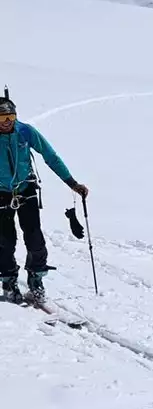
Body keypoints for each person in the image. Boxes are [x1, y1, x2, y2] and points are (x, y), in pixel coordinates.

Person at [0, 94, 89, 304]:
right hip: (1, 193)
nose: (7, 122)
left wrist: (72, 183)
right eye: (2, 118)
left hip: (26, 189)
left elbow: (50, 156)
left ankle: (36, 279)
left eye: (10, 117)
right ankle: (8, 280)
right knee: (4, 242)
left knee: (34, 238)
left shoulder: (25, 132)